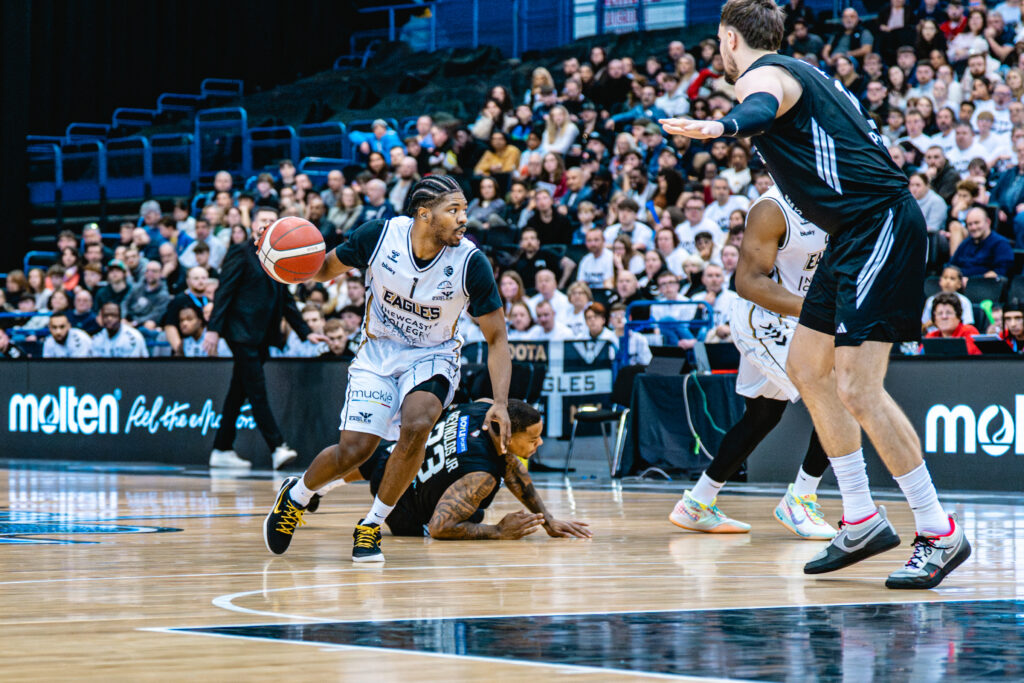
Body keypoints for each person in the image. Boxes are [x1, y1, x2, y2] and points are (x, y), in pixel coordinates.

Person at [661, 0, 970, 589]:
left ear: (730, 39)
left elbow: (759, 104)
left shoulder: (763, 74)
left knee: (858, 387)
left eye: (720, 42)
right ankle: (860, 518)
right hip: (850, 232)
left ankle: (938, 530)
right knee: (807, 367)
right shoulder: (803, 70)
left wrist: (723, 127)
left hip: (878, 222)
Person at [262, 175, 511, 564]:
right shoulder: (379, 236)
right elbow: (324, 269)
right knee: (356, 451)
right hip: (378, 351)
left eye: (464, 209)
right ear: (424, 215)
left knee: (418, 423)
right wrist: (284, 258)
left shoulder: (470, 263)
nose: (464, 218)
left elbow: (497, 339)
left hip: (432, 354)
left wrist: (500, 402)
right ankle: (297, 496)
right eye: (454, 210)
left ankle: (372, 525)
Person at [671, 184, 835, 538]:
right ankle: (800, 500)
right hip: (765, 319)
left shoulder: (833, 195)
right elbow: (747, 283)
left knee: (763, 415)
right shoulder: (772, 207)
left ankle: (697, 503)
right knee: (838, 399)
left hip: (800, 319)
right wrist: (818, 310)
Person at [301, 400, 590, 540]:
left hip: (395, 460)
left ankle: (314, 488)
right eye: (533, 438)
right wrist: (498, 531)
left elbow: (511, 466)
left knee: (382, 458)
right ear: (506, 433)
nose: (540, 443)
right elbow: (441, 527)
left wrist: (548, 520)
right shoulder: (481, 477)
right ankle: (321, 491)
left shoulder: (483, 408)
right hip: (403, 511)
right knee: (473, 515)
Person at [204, 206, 325, 471]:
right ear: (252, 224)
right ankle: (277, 446)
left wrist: (306, 332)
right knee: (257, 390)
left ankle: (222, 448)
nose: (267, 224)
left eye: (272, 220)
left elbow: (286, 301)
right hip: (241, 333)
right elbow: (224, 291)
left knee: (238, 391)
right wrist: (213, 329)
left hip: (261, 336)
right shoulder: (240, 252)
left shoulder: (278, 256)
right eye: (263, 220)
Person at [949, 207, 1015, 278]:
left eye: (977, 223)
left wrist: (972, 281)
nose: (973, 227)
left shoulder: (1000, 244)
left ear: (988, 222)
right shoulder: (965, 244)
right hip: (960, 282)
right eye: (970, 224)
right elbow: (951, 266)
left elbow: (1001, 272)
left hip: (984, 283)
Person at [922, 265, 974, 332]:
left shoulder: (964, 301)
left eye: (952, 278)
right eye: (945, 277)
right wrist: (933, 321)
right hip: (934, 336)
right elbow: (923, 327)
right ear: (940, 281)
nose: (948, 281)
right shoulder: (931, 300)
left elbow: (968, 325)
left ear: (959, 284)